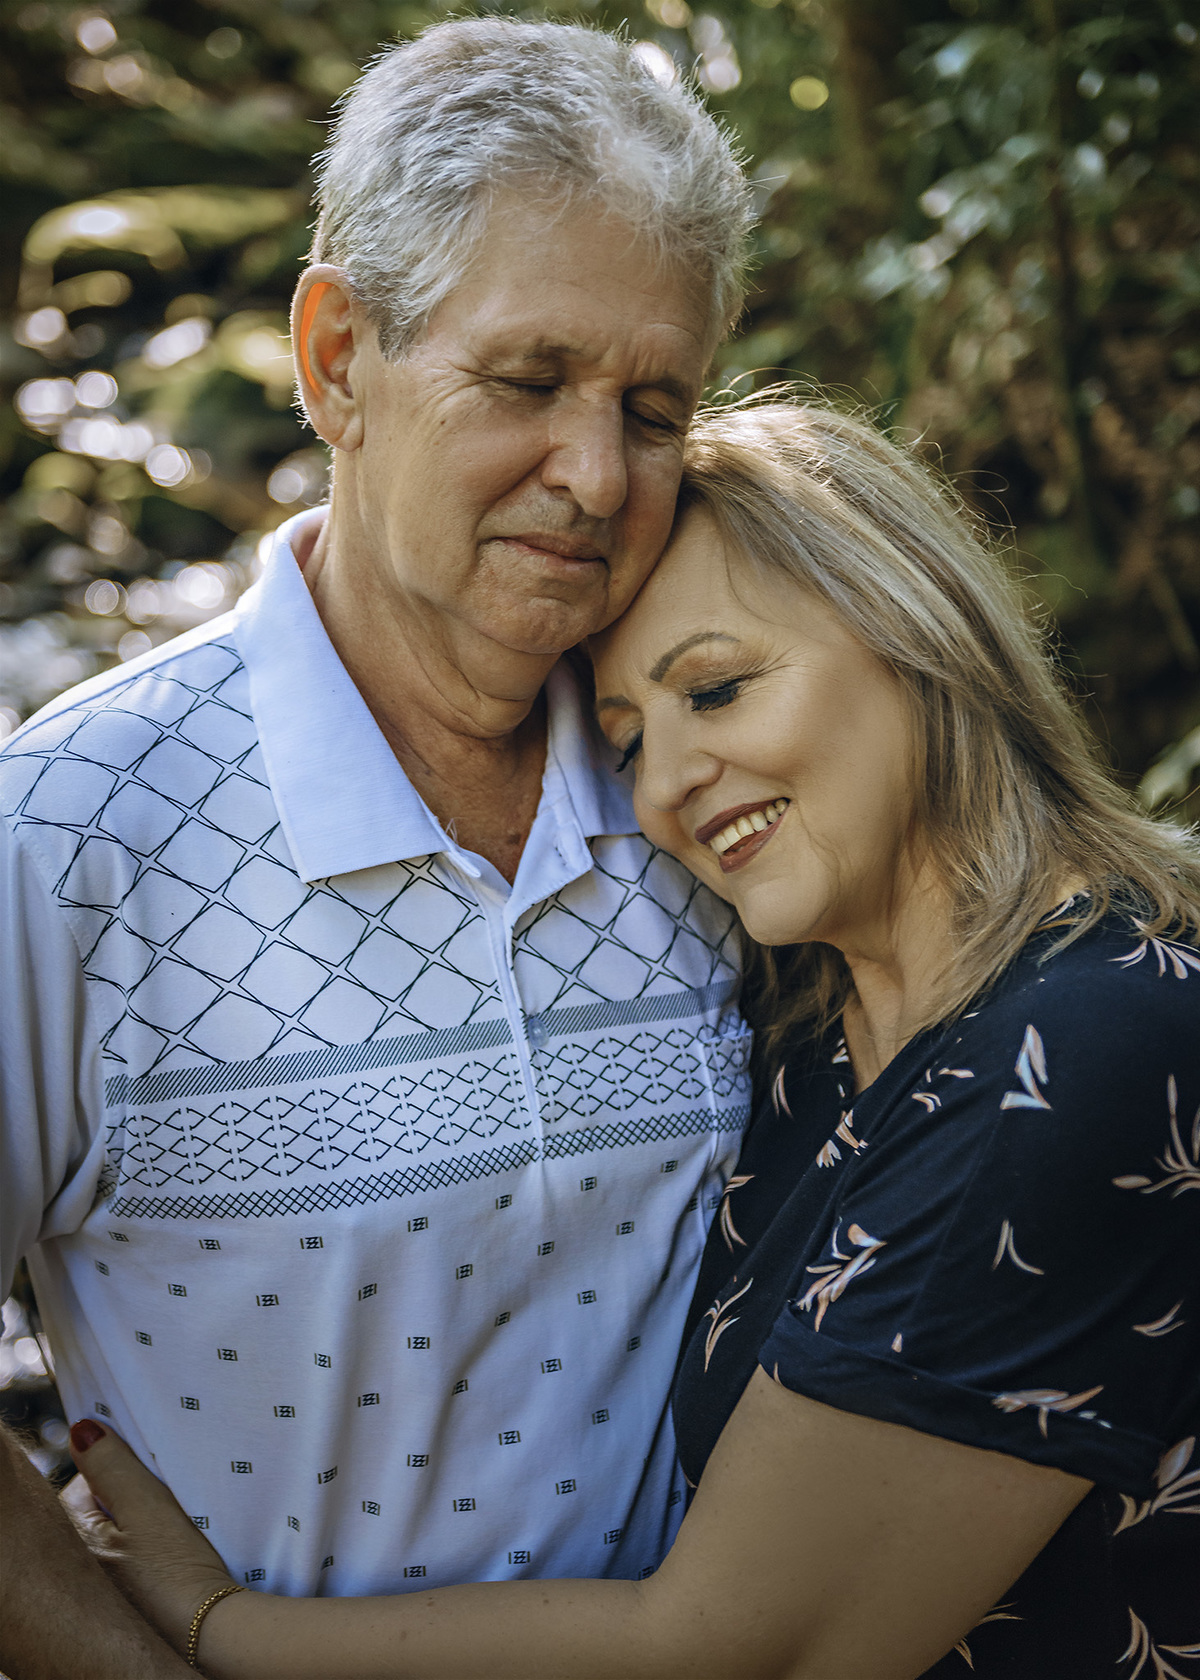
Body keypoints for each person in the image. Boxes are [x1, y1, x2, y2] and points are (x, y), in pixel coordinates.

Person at [63, 398, 1200, 1679]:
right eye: (628, 744)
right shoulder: (809, 1037)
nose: (666, 786)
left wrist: (210, 1624)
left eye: (716, 689)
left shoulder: (1087, 1041)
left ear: (914, 624)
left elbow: (738, 1651)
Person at [0, 21, 758, 1678]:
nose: (595, 475)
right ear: (338, 359)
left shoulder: (723, 792)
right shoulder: (62, 838)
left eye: (654, 409)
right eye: (529, 381)